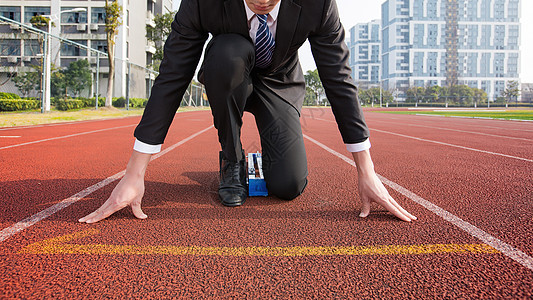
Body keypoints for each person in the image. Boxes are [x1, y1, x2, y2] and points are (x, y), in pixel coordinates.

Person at [79, 0, 416, 224]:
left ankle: (265, 160)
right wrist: (134, 173)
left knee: (288, 185)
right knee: (228, 52)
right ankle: (232, 155)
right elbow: (172, 75)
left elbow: (338, 79)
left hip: (279, 81)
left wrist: (366, 170)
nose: (263, 0)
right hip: (228, 70)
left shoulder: (318, 3)